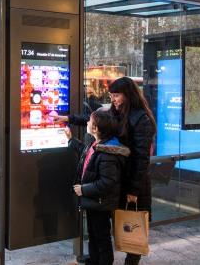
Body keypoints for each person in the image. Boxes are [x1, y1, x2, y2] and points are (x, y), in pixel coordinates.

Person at [56, 77, 156, 265]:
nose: (113, 99)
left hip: (134, 181)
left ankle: (131, 261)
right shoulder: (117, 112)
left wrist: (134, 190)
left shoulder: (141, 118)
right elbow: (95, 119)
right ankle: (98, 259)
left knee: (132, 224)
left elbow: (142, 159)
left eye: (116, 95)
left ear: (129, 95)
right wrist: (69, 118)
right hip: (117, 176)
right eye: (111, 95)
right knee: (105, 227)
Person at [67, 110, 129, 265]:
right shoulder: (98, 145)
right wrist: (71, 140)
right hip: (95, 201)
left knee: (102, 238)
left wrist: (83, 189)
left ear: (95, 128)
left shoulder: (108, 152)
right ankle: (94, 260)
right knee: (94, 235)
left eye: (89, 121)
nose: (87, 123)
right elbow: (86, 154)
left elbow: (107, 183)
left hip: (101, 202)